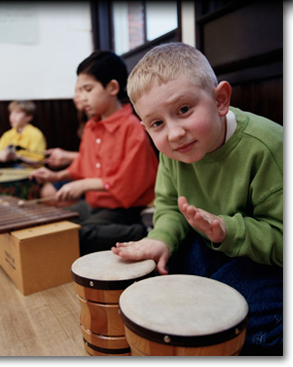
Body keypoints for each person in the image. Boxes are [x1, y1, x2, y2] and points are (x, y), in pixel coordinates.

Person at [112, 43, 283, 356]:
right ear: (146, 128)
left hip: (266, 262)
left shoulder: (268, 147)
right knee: (161, 278)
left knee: (222, 304)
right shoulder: (173, 151)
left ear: (220, 100)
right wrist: (161, 238)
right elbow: (168, 207)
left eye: (183, 110)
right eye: (157, 124)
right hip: (214, 250)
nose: (174, 133)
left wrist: (229, 231)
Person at [30, 50, 159, 255]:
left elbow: (130, 181)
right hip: (94, 204)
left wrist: (83, 185)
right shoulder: (91, 127)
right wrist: (56, 176)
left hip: (124, 210)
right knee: (57, 223)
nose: (81, 98)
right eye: (79, 91)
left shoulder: (132, 127)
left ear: (112, 87)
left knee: (79, 236)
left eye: (87, 89)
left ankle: (145, 230)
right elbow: (84, 164)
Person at [0, 100, 46, 168]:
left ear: (28, 117)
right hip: (8, 171)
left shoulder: (36, 134)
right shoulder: (8, 134)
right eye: (11, 113)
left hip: (28, 173)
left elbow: (39, 162)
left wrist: (17, 157)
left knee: (17, 167)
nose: (12, 117)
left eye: (17, 113)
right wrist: (2, 156)